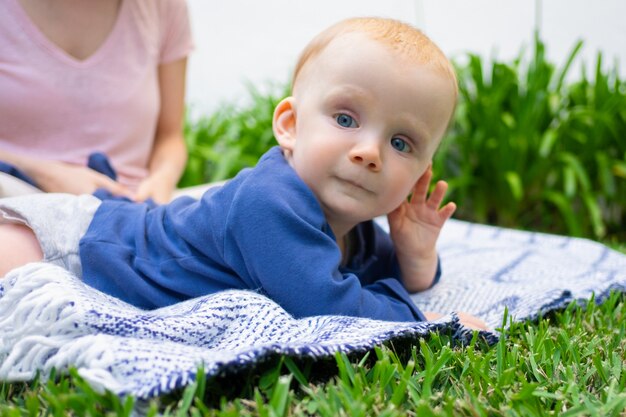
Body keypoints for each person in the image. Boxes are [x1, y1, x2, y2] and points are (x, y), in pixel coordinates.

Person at [0, 17, 486, 329]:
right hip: (85, 246)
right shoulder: (270, 203)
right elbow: (330, 307)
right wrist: (430, 323)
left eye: (401, 143)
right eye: (345, 119)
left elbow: (379, 274)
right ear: (290, 126)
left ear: (422, 170)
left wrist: (415, 255)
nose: (369, 152)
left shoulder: (354, 227)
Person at [0, 0, 192, 203]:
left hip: (128, 208)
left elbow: (169, 137)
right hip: (15, 202)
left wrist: (162, 179)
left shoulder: (163, 6)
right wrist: (42, 173)